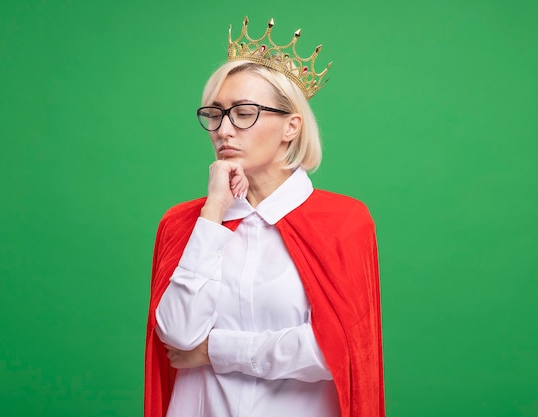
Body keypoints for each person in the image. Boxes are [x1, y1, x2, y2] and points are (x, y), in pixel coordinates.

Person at [144, 17, 385, 417]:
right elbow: (177, 336)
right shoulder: (186, 223)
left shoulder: (343, 220)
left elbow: (336, 352)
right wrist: (213, 214)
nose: (223, 129)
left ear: (291, 126)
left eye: (243, 113)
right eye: (215, 114)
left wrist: (215, 351)